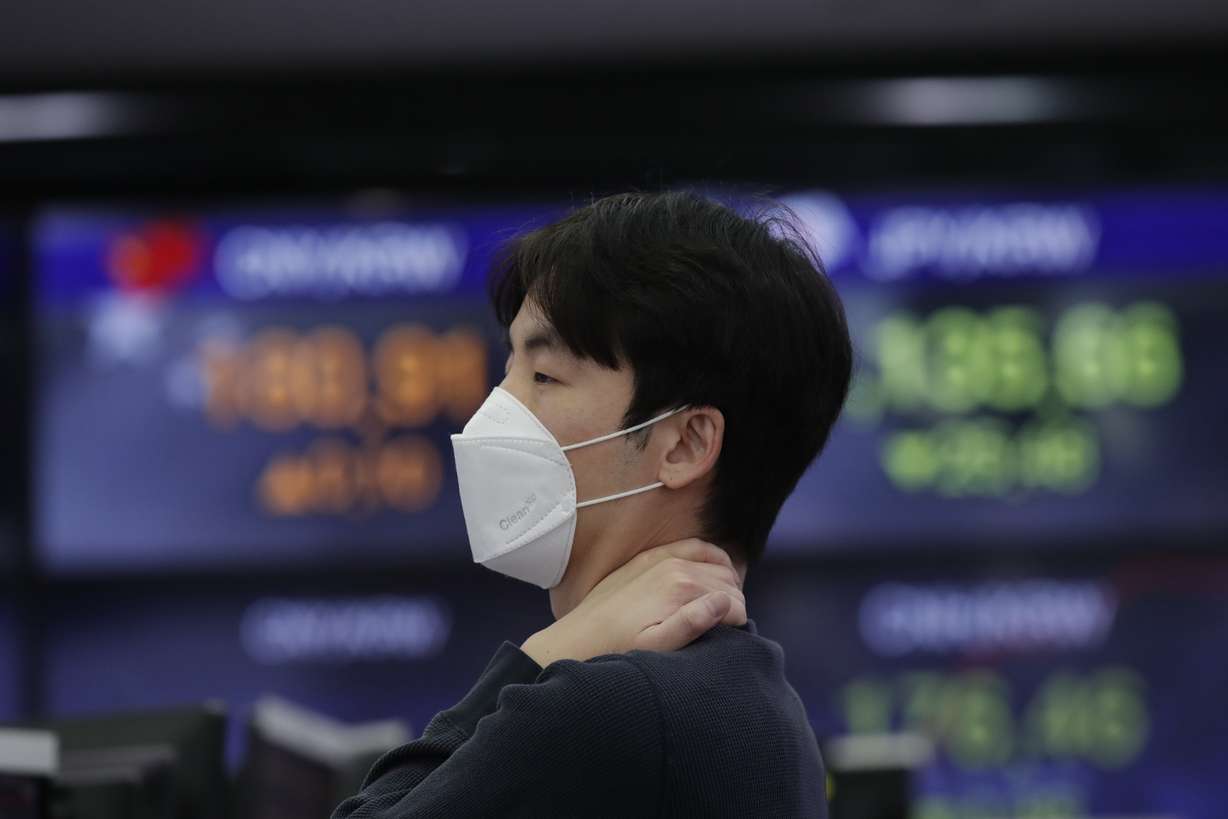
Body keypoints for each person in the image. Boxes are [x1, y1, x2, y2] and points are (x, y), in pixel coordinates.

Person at [333, 191, 852, 818]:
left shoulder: (614, 706)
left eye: (544, 377)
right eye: (509, 369)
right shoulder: (757, 696)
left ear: (686, 444)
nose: (494, 412)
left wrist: (545, 656)